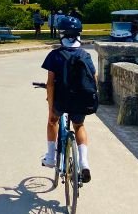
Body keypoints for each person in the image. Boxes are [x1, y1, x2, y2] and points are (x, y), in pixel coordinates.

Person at [40, 16, 96, 183]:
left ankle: (50, 157)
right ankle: (84, 163)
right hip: (80, 101)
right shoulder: (85, 55)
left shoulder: (55, 55)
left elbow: (50, 84)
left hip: (61, 100)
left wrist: (51, 105)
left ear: (61, 34)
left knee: (52, 122)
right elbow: (93, 79)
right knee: (79, 126)